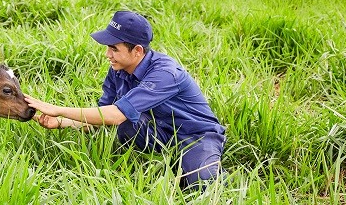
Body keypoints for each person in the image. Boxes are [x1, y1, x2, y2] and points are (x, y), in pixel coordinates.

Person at [25, 10, 226, 188]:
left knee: (202, 183)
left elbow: (114, 115)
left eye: (114, 49)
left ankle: (204, 169)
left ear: (137, 51)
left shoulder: (165, 73)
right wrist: (59, 122)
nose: (107, 54)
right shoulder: (118, 70)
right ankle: (156, 165)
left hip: (194, 136)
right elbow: (102, 119)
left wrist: (57, 108)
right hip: (158, 133)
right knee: (127, 124)